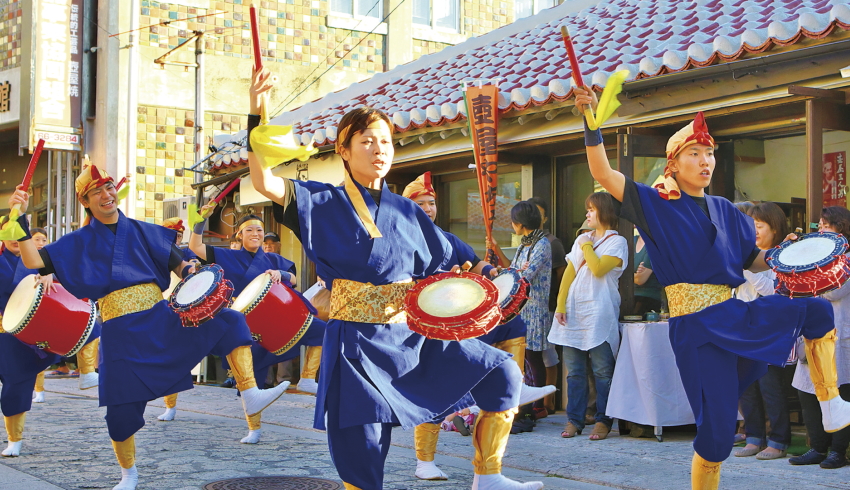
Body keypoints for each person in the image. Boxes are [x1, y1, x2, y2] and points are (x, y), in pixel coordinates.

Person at [247, 66, 543, 490]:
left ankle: (489, 476)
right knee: (364, 447)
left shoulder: (406, 211)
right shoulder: (321, 200)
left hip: (411, 335)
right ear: (344, 151)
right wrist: (257, 113)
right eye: (366, 141)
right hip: (357, 344)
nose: (379, 149)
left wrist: (489, 273)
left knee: (501, 372)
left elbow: (453, 255)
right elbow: (264, 180)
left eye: (385, 141)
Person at [574, 85, 850, 490]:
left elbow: (749, 260)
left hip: (735, 312)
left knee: (817, 310)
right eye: (695, 154)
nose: (706, 162)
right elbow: (602, 173)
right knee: (718, 433)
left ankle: (830, 402)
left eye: (710, 154)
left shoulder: (725, 208)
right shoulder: (655, 204)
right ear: (674, 162)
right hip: (697, 329)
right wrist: (590, 122)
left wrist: (786, 254)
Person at [9, 162, 288, 490]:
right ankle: (129, 473)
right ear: (86, 201)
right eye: (96, 191)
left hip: (160, 317)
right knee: (119, 410)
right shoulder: (79, 241)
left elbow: (181, 265)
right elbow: (34, 261)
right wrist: (21, 219)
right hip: (119, 332)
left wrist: (193, 274)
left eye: (109, 187)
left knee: (230, 318)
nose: (106, 194)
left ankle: (250, 393)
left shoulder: (145, 230)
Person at [402, 173, 553, 480]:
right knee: (437, 387)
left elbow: (477, 263)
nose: (429, 208)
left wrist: (496, 273)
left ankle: (516, 383)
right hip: (427, 327)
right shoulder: (401, 241)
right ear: (407, 207)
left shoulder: (446, 238)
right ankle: (424, 460)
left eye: (432, 203)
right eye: (421, 203)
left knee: (512, 324)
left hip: (464, 320)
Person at [158, 212, 326, 444]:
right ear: (239, 234)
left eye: (259, 230)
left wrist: (281, 274)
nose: (255, 234)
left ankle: (307, 378)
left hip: (274, 319)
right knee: (184, 355)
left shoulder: (273, 260)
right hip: (238, 324)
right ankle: (173, 405)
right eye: (249, 230)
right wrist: (200, 221)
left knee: (323, 331)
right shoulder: (227, 255)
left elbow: (294, 280)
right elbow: (196, 246)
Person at [0, 225, 100, 457]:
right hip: (4, 331)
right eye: (9, 233)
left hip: (25, 335)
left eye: (20, 234)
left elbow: (70, 268)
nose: (15, 239)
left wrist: (49, 275)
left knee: (16, 386)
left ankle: (14, 439)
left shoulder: (37, 261)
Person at [549, 192, 627, 441]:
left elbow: (598, 268)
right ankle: (574, 420)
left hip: (599, 311)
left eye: (591, 209)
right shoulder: (583, 239)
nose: (587, 214)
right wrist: (560, 305)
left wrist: (585, 245)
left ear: (604, 211)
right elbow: (569, 275)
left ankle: (603, 420)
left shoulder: (618, 242)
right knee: (574, 372)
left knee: (603, 370)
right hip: (574, 310)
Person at [789, 206, 850, 469]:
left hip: (839, 337)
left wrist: (808, 274)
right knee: (808, 392)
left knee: (837, 392)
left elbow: (834, 291)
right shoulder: (814, 257)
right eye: (820, 225)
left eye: (827, 225)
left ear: (842, 228)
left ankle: (838, 451)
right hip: (811, 334)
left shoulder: (845, 258)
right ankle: (817, 447)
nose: (821, 230)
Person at [733, 202, 792, 460]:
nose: (754, 231)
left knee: (770, 386)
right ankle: (754, 437)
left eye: (759, 226)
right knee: (747, 385)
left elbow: (773, 289)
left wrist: (747, 265)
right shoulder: (747, 253)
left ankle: (778, 441)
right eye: (751, 226)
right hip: (743, 326)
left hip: (769, 329)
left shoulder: (783, 254)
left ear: (774, 227)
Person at [488, 202, 553, 431]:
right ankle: (526, 402)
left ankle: (538, 406)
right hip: (520, 307)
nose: (512, 225)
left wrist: (517, 271)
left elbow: (526, 274)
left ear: (521, 223)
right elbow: (515, 271)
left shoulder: (542, 244)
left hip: (534, 307)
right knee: (524, 356)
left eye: (513, 222)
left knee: (534, 356)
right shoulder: (525, 244)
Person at [526, 196, 567, 416]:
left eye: (537, 212)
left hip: (547, 304)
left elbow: (561, 274)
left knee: (546, 355)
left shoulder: (550, 243)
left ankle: (547, 401)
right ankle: (538, 402)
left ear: (545, 217)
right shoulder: (527, 243)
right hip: (528, 306)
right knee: (533, 355)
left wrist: (559, 301)